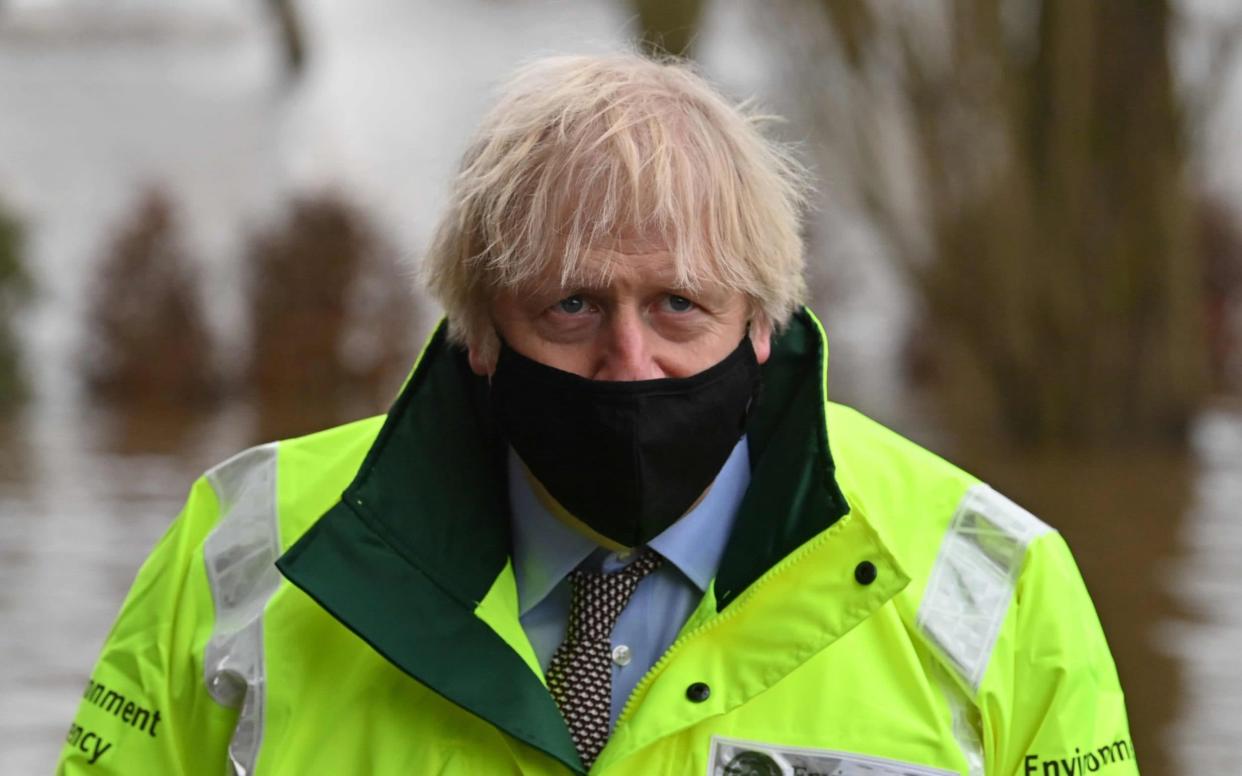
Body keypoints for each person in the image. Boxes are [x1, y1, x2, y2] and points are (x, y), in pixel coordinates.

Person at [57, 53, 1138, 776]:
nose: (629, 363)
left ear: (762, 320)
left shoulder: (991, 582)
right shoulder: (248, 551)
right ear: (480, 330)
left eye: (680, 304)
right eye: (571, 304)